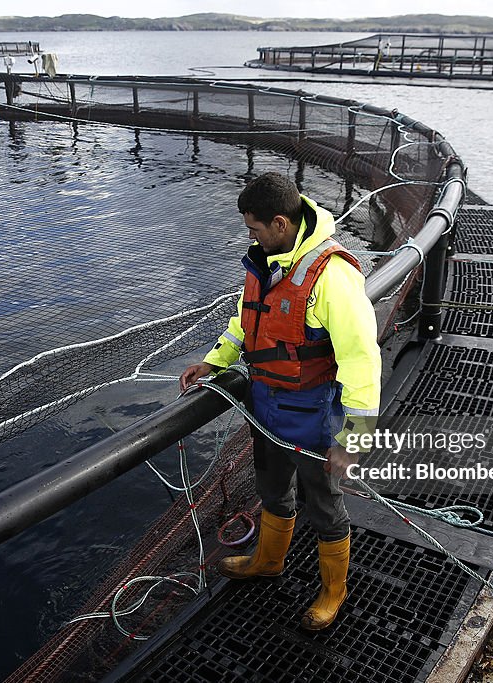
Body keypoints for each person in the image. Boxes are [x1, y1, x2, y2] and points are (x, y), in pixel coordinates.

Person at [180, 172, 380, 631]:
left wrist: (354, 439)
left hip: (314, 418)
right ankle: (268, 561)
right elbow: (245, 321)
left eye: (253, 228)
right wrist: (214, 362)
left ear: (279, 223)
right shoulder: (267, 262)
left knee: (324, 507)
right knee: (273, 492)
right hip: (265, 410)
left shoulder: (333, 275)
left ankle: (333, 591)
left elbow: (362, 360)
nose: (249, 235)